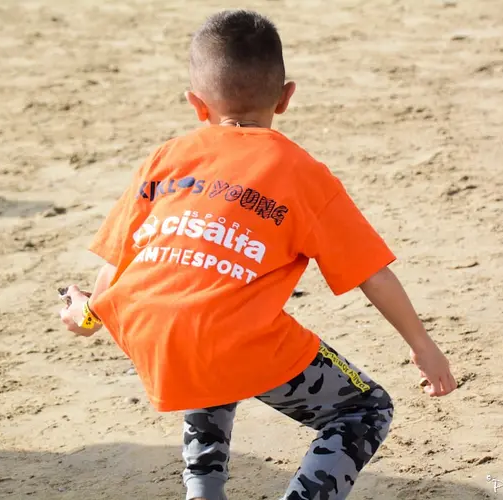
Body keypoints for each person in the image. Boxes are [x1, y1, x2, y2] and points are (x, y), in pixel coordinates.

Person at [59, 9, 457, 500]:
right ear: (287, 97)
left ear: (196, 104)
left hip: (148, 327)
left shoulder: (167, 155)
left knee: (207, 342)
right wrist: (423, 346)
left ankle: (202, 492)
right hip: (228, 333)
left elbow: (116, 260)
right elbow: (372, 274)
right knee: (366, 410)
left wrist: (87, 316)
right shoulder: (301, 172)